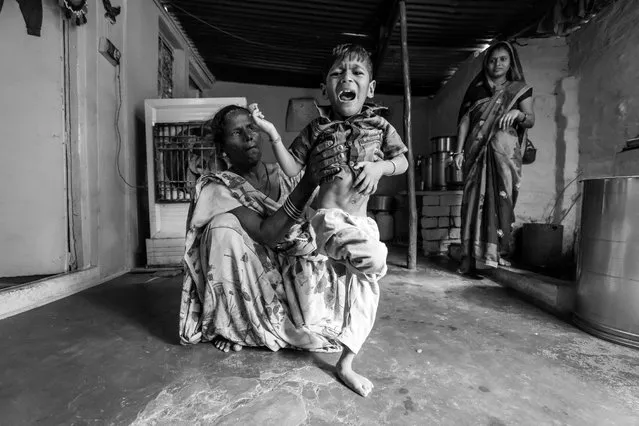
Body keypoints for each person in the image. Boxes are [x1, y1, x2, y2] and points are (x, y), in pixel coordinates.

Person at [179, 104, 381, 397]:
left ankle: (262, 326)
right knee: (221, 227)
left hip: (297, 263)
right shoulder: (219, 187)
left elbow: (320, 217)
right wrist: (309, 181)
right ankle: (236, 322)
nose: (249, 136)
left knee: (349, 241)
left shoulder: (285, 173)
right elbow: (267, 234)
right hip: (259, 268)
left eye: (251, 127)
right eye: (237, 133)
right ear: (223, 149)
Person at [250, 43, 408, 283]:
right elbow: (292, 167)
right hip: (329, 220)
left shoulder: (380, 126)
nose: (347, 78)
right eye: (337, 73)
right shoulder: (317, 129)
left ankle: (341, 272)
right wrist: (273, 135)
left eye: (357, 72)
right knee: (375, 260)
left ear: (371, 88)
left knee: (361, 301)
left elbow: (402, 161)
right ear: (325, 90)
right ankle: (343, 261)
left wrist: (380, 168)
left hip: (361, 223)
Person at [453, 40, 535, 277]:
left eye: (502, 59)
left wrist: (518, 113)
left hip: (504, 156)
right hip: (475, 152)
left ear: (511, 63)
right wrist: (457, 151)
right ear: (486, 63)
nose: (497, 64)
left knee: (501, 203)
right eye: (492, 59)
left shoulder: (519, 89)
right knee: (471, 205)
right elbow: (465, 122)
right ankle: (469, 259)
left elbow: (530, 119)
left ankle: (495, 256)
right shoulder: (476, 90)